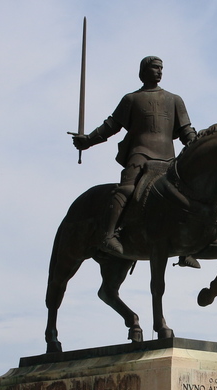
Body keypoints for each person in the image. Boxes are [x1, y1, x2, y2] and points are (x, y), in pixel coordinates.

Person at [71, 56, 198, 265]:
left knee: (186, 197)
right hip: (140, 153)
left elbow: (185, 130)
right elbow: (111, 126)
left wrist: (196, 141)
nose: (159, 71)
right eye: (155, 68)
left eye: (161, 68)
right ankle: (109, 234)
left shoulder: (175, 99)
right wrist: (88, 141)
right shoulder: (131, 99)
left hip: (169, 158)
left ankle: (187, 248)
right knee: (127, 189)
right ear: (143, 71)